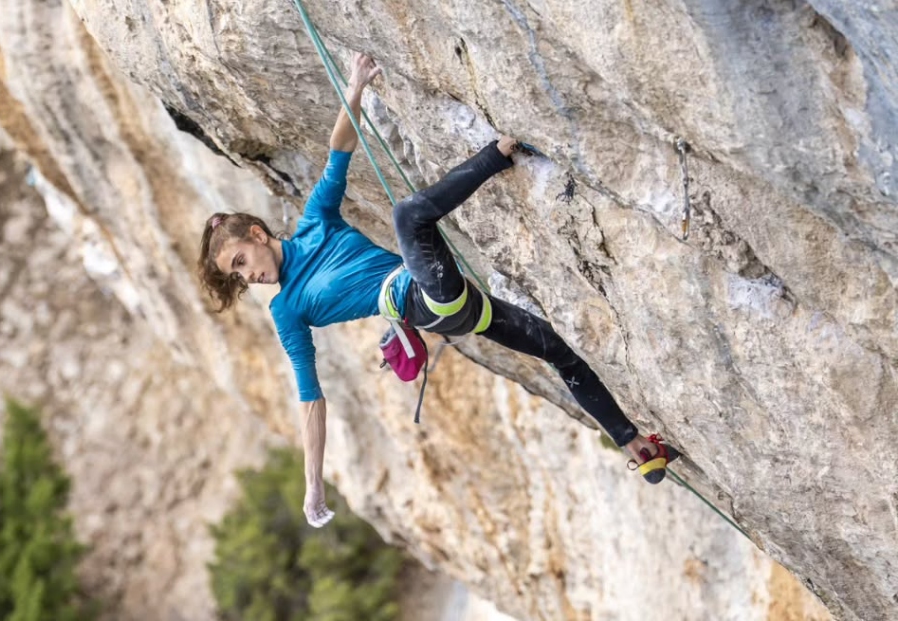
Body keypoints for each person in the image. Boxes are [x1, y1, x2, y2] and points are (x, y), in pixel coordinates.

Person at [196, 53, 678, 528]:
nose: (247, 276)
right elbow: (310, 398)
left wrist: (355, 89)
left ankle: (635, 446)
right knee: (408, 216)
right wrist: (313, 484)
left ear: (257, 235)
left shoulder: (314, 222)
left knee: (558, 351)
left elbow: (338, 150)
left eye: (240, 262)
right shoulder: (287, 309)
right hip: (428, 303)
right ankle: (501, 151)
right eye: (237, 276)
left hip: (464, 307)